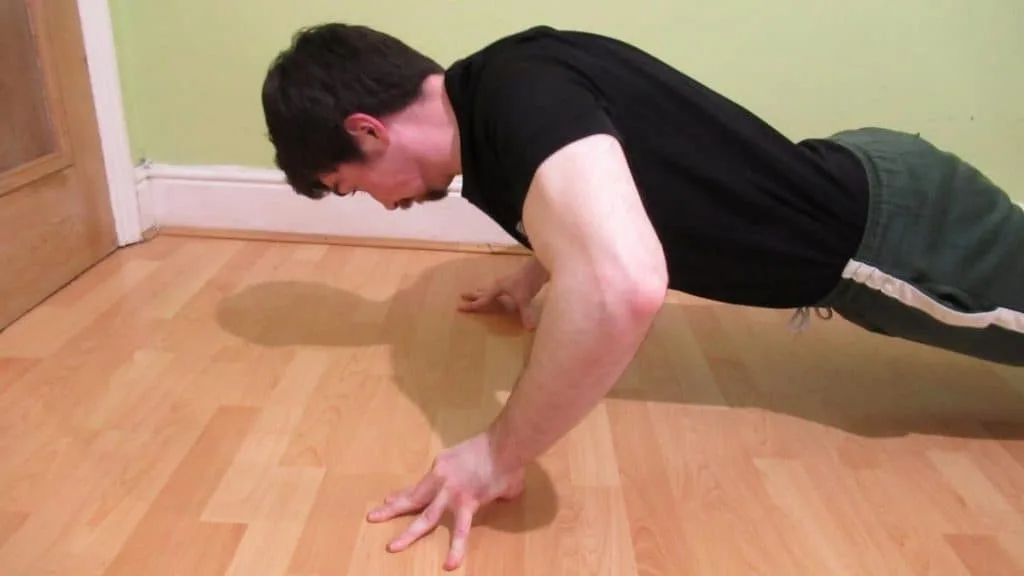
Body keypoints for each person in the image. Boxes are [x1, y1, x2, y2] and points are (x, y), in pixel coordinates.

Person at [261, 23, 1024, 569]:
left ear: (368, 129)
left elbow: (625, 287)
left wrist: (498, 453)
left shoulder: (518, 100)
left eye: (348, 185)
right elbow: (603, 184)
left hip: (901, 239)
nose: (373, 202)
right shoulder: (500, 90)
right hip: (862, 170)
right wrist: (538, 269)